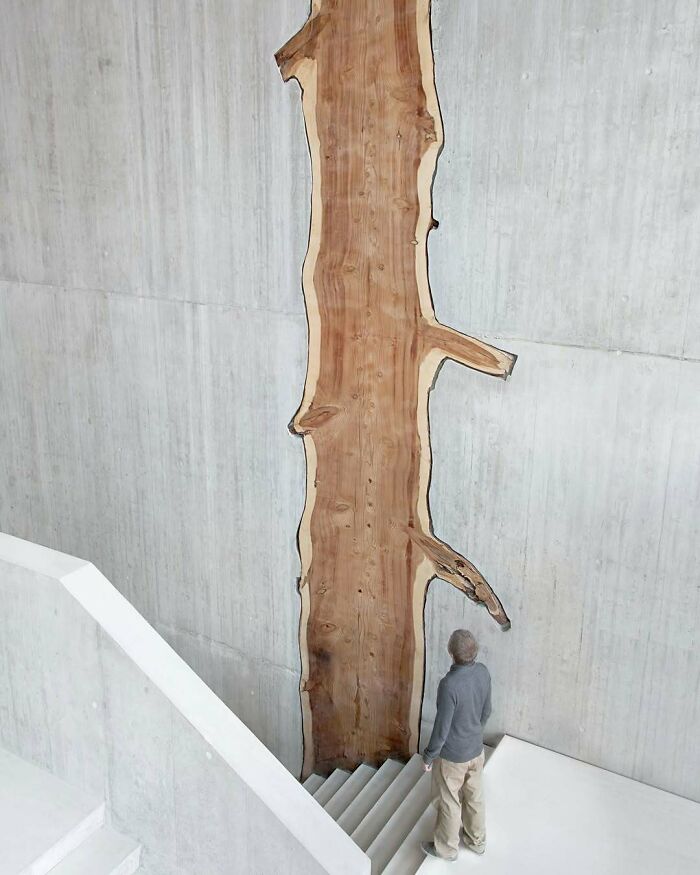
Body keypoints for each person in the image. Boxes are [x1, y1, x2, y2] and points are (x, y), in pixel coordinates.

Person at [420, 629, 491, 862]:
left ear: (451, 653)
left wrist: (429, 756)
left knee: (450, 801)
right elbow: (487, 710)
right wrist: (474, 733)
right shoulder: (483, 672)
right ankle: (477, 841)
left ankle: (447, 849)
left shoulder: (449, 685)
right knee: (475, 796)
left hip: (453, 757)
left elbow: (442, 728)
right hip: (476, 750)